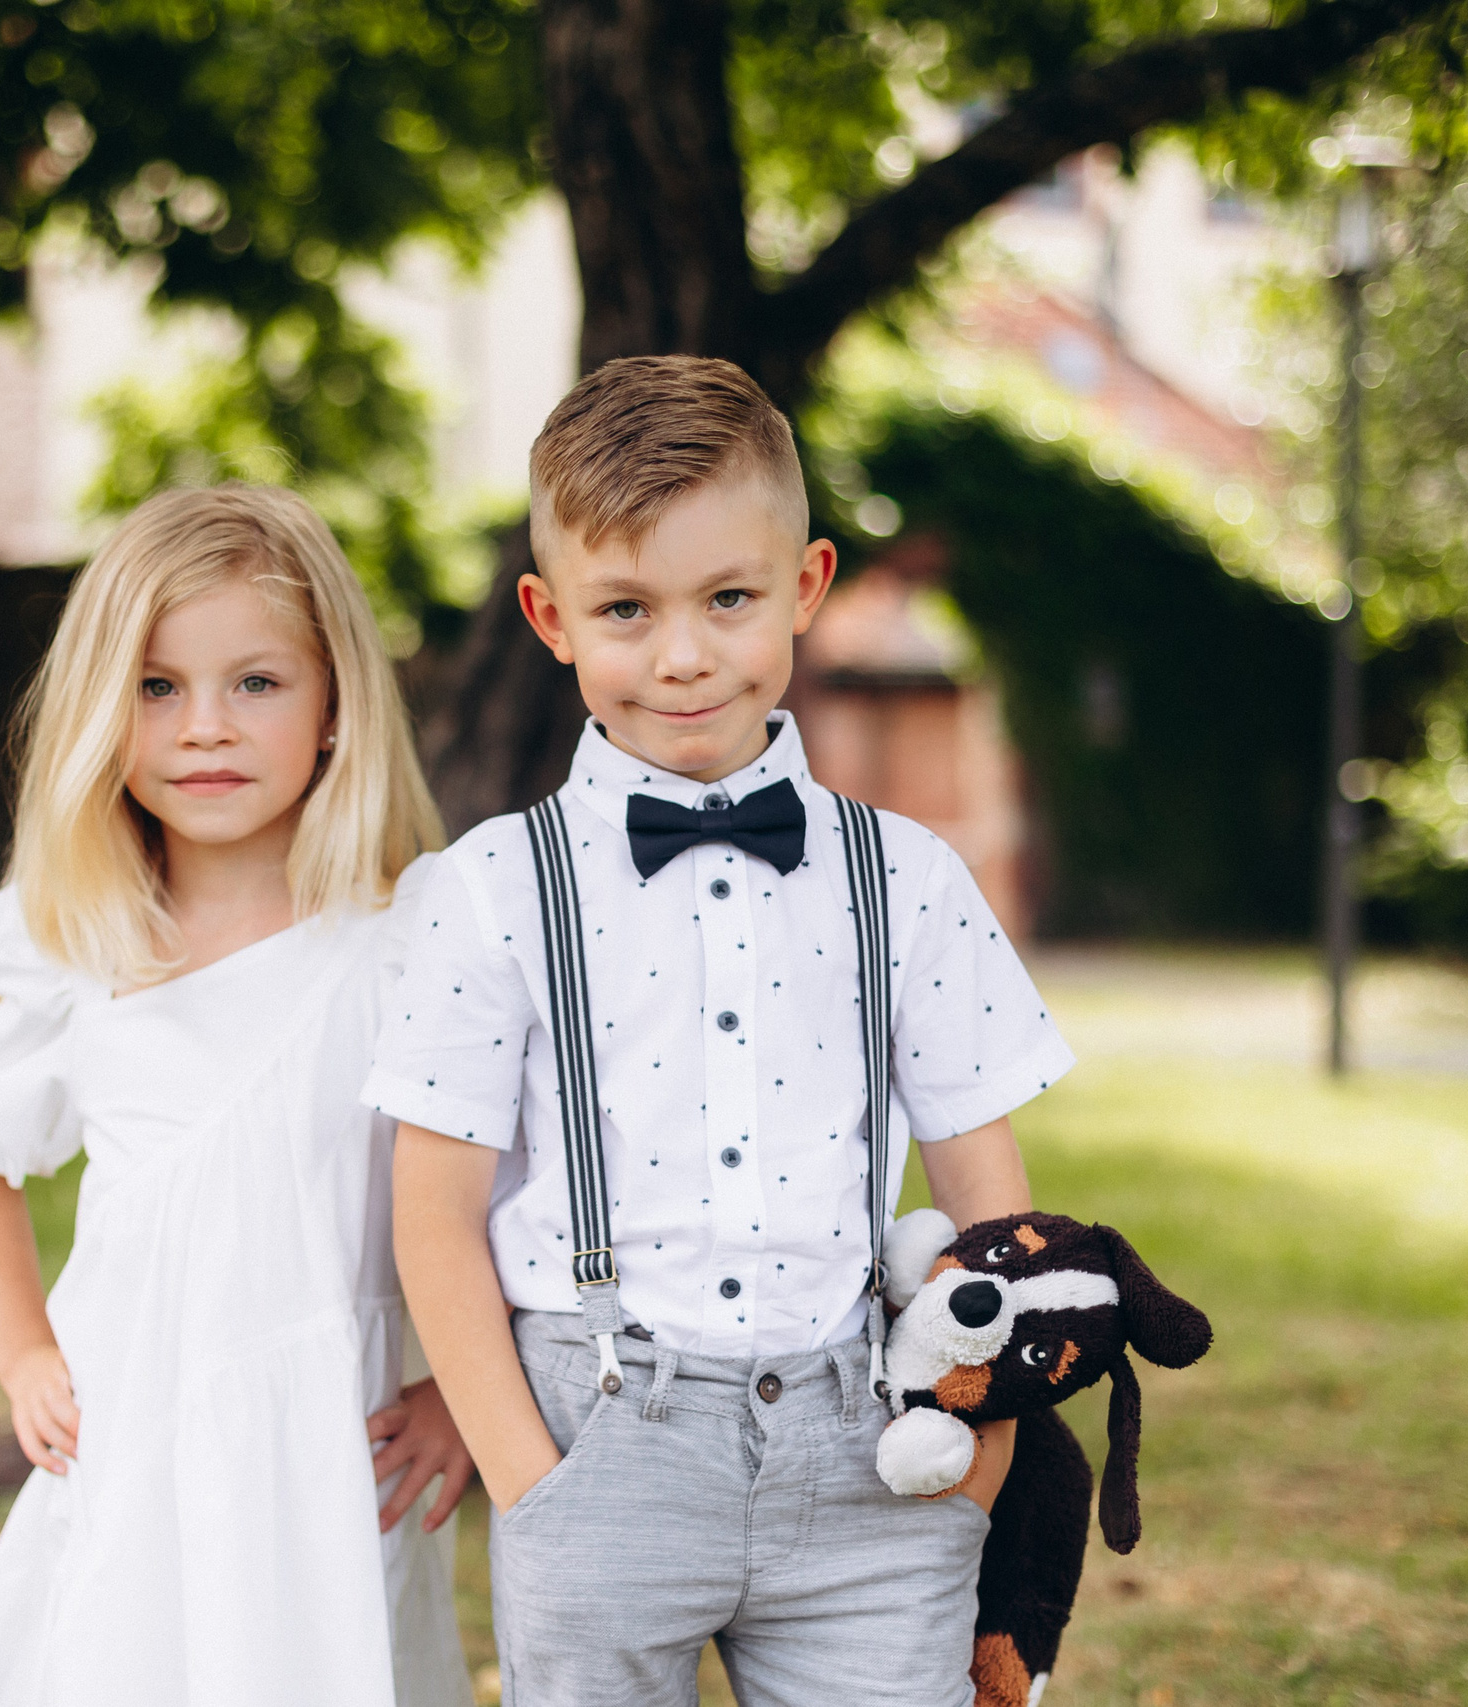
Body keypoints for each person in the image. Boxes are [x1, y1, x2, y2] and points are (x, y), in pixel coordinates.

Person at [374, 357, 1077, 1707]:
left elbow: (983, 1182)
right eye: (626, 607)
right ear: (549, 614)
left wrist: (979, 1438)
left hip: (868, 1448)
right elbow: (432, 1215)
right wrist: (534, 1483)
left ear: (808, 586)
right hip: (599, 1446)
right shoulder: (486, 891)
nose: (683, 651)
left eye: (730, 599)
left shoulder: (909, 875)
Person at [0, 485, 474, 1707]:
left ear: (334, 705)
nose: (204, 728)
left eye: (256, 684)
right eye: (157, 687)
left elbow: (513, 1193)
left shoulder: (407, 944)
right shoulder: (78, 946)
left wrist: (459, 1396)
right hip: (136, 1437)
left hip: (333, 1453)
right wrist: (22, 1356)